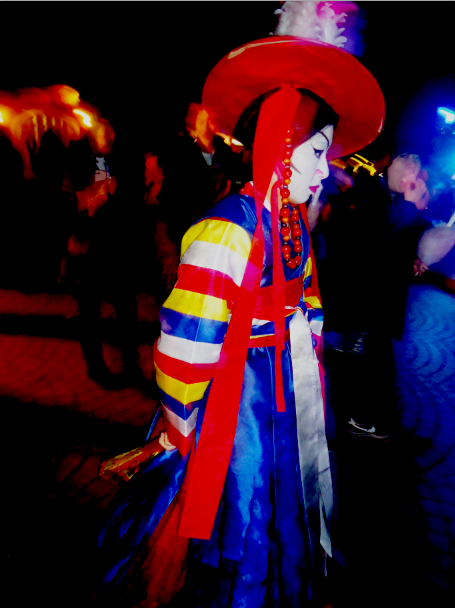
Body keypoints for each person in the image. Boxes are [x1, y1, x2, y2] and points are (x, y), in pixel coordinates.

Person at [95, 23, 385, 608]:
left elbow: (306, 299)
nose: (325, 170)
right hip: (238, 406)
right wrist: (181, 425)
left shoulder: (289, 221)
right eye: (318, 152)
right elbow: (187, 339)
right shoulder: (230, 224)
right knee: (242, 512)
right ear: (282, 143)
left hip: (283, 394)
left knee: (280, 505)